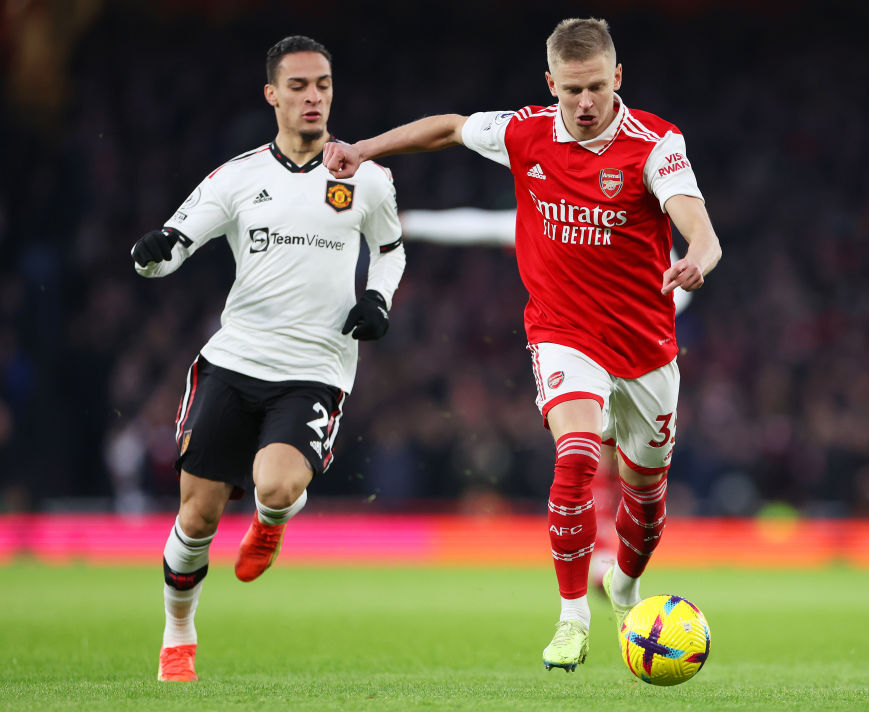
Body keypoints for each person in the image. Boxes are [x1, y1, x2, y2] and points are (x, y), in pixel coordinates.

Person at [324, 17, 721, 672]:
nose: (586, 103)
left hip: (646, 344)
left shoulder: (655, 144)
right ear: (550, 84)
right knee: (576, 456)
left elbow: (701, 231)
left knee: (646, 497)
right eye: (572, 90)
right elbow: (450, 127)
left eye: (597, 87)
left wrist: (697, 259)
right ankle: (572, 618)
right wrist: (363, 149)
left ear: (618, 77)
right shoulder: (524, 132)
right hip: (565, 333)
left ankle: (625, 588)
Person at [132, 35, 406, 682]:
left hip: (315, 368)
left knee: (277, 485)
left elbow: (390, 250)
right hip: (235, 360)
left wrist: (377, 299)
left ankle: (272, 519)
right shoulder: (237, 177)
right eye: (299, 86)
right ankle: (178, 634)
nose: (313, 97)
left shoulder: (367, 177)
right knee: (197, 516)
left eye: (323, 85)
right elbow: (175, 242)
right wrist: (151, 257)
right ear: (272, 95)